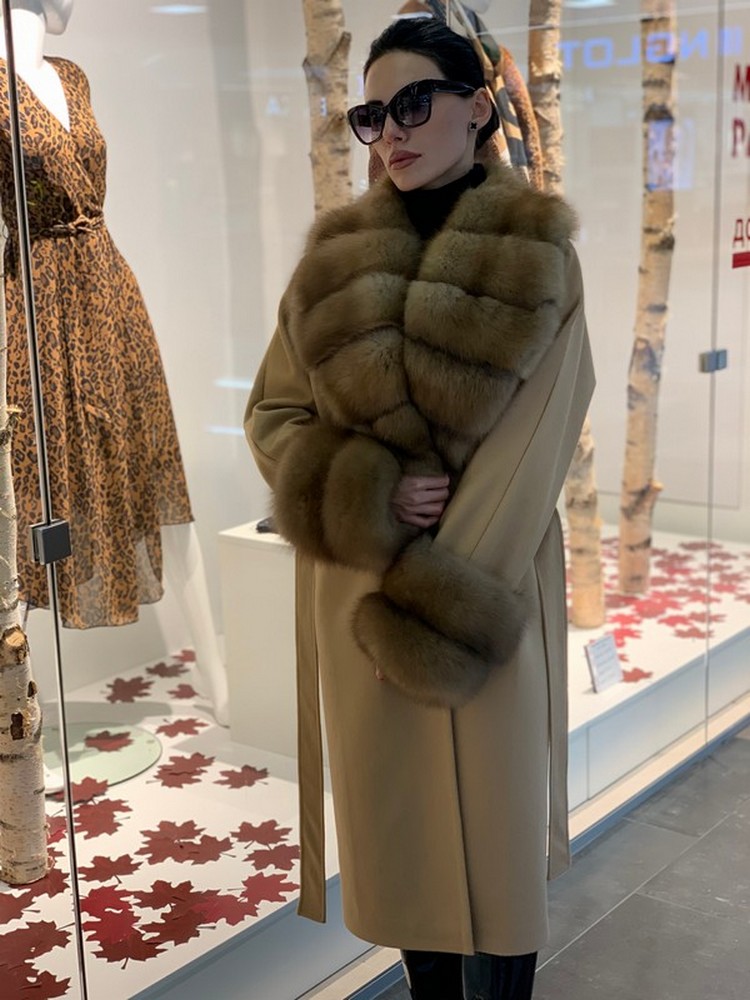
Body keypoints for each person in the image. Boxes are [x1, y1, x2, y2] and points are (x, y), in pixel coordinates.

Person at [245, 17, 594, 1000]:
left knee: (498, 853)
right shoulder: (332, 261)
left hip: (483, 595)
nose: (390, 131)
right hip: (362, 592)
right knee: (404, 859)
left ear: (478, 108)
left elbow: (536, 444)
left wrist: (428, 613)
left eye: (412, 103)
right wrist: (366, 485)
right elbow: (274, 415)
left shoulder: (538, 254)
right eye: (372, 114)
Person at [0, 0, 228, 723]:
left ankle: (219, 680)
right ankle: (12, 717)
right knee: (31, 490)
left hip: (109, 289)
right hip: (38, 303)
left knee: (150, 460)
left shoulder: (72, 76)